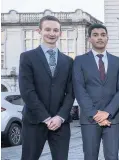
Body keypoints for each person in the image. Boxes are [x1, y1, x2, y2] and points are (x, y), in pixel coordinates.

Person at [19, 15, 74, 160]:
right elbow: (27, 91)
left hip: (60, 122)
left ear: (60, 33)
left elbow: (71, 93)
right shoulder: (27, 57)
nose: (52, 33)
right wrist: (46, 117)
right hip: (34, 120)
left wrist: (60, 117)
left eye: (56, 30)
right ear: (39, 31)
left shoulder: (68, 61)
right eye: (48, 29)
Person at [73, 23, 119, 160]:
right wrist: (95, 114)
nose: (100, 38)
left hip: (112, 119)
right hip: (90, 119)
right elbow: (79, 89)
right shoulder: (80, 61)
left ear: (107, 38)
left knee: (112, 157)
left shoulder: (117, 61)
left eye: (103, 35)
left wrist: (107, 112)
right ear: (89, 38)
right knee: (90, 156)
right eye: (95, 35)